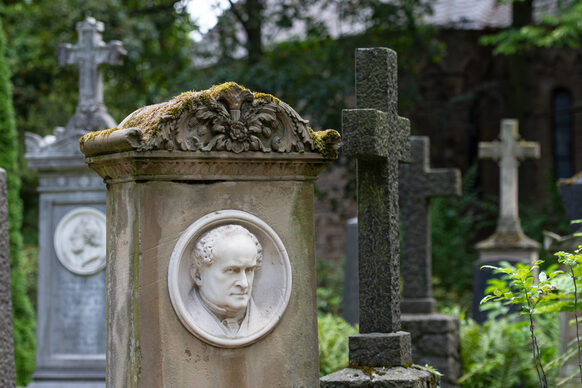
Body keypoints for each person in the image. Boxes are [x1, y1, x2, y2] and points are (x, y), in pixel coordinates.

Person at [189, 224, 266, 338]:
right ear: (198, 275)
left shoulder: (262, 321)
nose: (244, 284)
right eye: (232, 270)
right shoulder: (190, 316)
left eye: (249, 270)